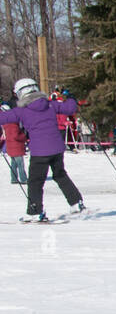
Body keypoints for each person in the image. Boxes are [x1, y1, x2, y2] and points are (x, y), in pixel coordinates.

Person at [7, 78, 86, 222]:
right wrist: (71, 97)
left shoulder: (21, 111)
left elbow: (3, 118)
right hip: (57, 149)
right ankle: (76, 202)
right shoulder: (50, 105)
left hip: (39, 152)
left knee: (35, 181)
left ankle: (35, 212)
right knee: (60, 175)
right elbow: (70, 108)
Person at [2, 101, 27, 185]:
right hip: (16, 146)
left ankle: (14, 178)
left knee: (14, 163)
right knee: (20, 164)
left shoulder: (6, 124)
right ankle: (23, 179)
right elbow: (16, 136)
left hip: (10, 146)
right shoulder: (13, 124)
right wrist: (24, 137)